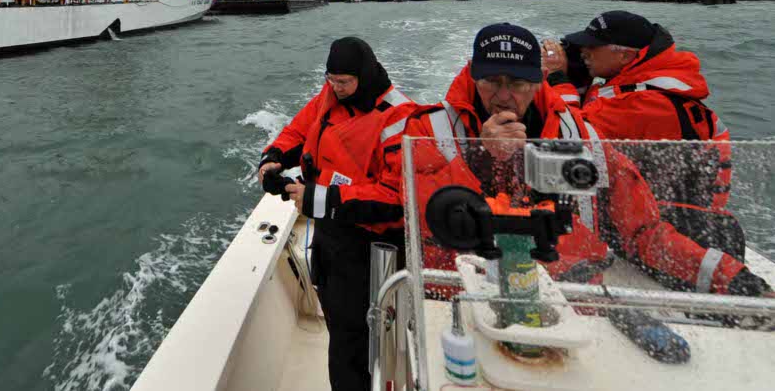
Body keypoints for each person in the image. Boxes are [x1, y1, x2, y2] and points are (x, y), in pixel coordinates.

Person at [397, 23, 771, 298]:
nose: (504, 96)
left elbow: (642, 230)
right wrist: (483, 156)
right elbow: (425, 216)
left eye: (519, 84)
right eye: (491, 81)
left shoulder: (581, 137)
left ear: (539, 82)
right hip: (459, 289)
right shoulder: (429, 128)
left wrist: (734, 280)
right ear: (473, 77)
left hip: (569, 292)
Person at [257, 37, 417, 391]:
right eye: (331, 81)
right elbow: (298, 131)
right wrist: (273, 158)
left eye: (343, 82)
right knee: (341, 329)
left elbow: (397, 197)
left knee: (355, 339)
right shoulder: (329, 97)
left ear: (364, 75)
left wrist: (322, 198)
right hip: (330, 239)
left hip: (371, 248)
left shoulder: (399, 117)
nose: (336, 89)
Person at [542, 11, 737, 256]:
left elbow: (570, 135)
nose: (584, 52)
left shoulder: (645, 104)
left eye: (592, 47)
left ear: (624, 55)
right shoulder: (640, 86)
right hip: (656, 206)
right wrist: (579, 75)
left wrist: (559, 79)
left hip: (664, 229)